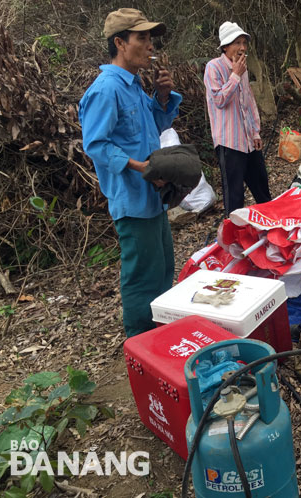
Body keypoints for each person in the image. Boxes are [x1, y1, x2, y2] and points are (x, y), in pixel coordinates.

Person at [79, 8, 182, 337]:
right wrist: (143, 168)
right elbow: (96, 144)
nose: (150, 45)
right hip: (133, 200)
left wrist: (162, 98)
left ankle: (160, 339)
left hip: (152, 198)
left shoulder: (133, 84)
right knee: (142, 279)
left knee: (163, 269)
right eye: (143, 38)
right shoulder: (106, 89)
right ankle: (140, 346)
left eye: (151, 38)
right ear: (120, 43)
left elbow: (152, 126)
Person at [204, 22, 272, 217]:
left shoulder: (242, 68)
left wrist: (255, 131)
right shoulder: (213, 67)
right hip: (229, 143)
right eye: (237, 43)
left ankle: (270, 230)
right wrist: (235, 75)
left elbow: (248, 102)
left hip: (249, 141)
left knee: (262, 188)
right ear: (225, 46)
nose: (242, 48)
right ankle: (234, 240)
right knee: (234, 197)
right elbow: (219, 100)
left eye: (244, 43)